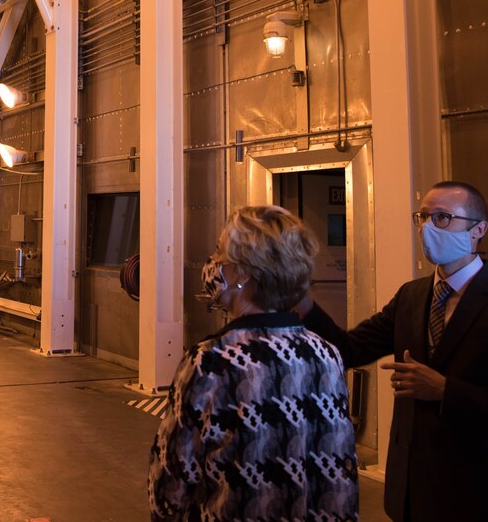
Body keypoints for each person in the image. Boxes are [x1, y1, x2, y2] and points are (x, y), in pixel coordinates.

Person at [297, 180, 488, 521]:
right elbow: (349, 349)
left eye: (442, 218)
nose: (426, 227)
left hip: (472, 498)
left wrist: (445, 391)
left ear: (478, 230)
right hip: (408, 494)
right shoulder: (412, 296)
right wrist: (303, 304)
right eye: (422, 217)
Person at [149, 205, 359, 521]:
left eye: (220, 253)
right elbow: (340, 469)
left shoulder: (212, 362)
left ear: (243, 273)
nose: (214, 263)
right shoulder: (327, 354)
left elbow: (172, 483)